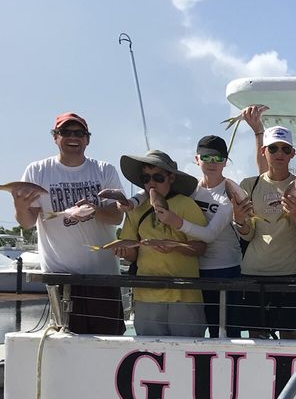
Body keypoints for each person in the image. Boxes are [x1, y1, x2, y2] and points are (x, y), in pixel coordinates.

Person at [15, 112, 126, 334]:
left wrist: (93, 211)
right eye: (65, 132)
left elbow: (118, 216)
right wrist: (19, 205)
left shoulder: (104, 170)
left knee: (108, 340)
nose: (73, 137)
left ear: (88, 138)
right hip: (60, 276)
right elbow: (27, 222)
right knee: (66, 341)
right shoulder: (38, 171)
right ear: (55, 137)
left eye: (79, 133)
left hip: (102, 275)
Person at [232, 126, 296, 339]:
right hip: (253, 273)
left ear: (292, 154)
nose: (279, 153)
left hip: (293, 273)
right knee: (256, 339)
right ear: (264, 152)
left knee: (291, 339)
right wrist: (239, 220)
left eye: (285, 149)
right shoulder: (248, 184)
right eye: (273, 148)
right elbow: (247, 235)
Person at [149, 135, 242, 337]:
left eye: (218, 158)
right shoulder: (189, 189)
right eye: (207, 157)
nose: (212, 163)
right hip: (193, 269)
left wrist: (176, 221)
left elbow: (209, 235)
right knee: (196, 333)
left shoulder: (231, 192)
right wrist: (129, 202)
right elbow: (155, 189)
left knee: (227, 334)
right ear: (197, 159)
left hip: (225, 271)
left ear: (225, 162)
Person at [113, 150, 207, 336]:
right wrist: (123, 251)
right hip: (146, 296)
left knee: (187, 356)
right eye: (146, 178)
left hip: (184, 296)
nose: (151, 183)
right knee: (149, 355)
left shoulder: (186, 204)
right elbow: (133, 254)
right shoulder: (135, 209)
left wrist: (175, 246)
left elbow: (201, 247)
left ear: (171, 178)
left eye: (158, 177)